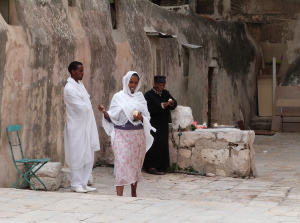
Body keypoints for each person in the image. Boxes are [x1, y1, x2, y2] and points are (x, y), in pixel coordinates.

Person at [99, 71, 155, 197]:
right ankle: (119, 196)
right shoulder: (118, 97)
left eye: (135, 83)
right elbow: (112, 117)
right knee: (122, 163)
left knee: (134, 165)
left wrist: (141, 117)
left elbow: (147, 117)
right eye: (131, 82)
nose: (133, 85)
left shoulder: (140, 98)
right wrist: (104, 112)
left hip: (137, 136)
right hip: (121, 135)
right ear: (125, 81)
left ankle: (133, 193)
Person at [64, 61, 100, 193]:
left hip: (87, 125)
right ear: (73, 71)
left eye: (83, 70)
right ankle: (76, 183)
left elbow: (86, 105)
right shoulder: (69, 88)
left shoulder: (80, 85)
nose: (82, 73)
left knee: (88, 153)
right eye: (80, 71)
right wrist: (87, 106)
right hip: (77, 127)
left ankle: (84, 183)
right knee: (77, 154)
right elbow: (81, 107)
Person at [143, 75, 177, 175]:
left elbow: (174, 103)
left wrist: (171, 104)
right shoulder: (148, 95)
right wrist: (161, 106)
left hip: (163, 124)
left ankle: (162, 166)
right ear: (155, 84)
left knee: (162, 144)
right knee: (153, 144)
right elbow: (148, 109)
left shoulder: (166, 94)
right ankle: (150, 166)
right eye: (160, 85)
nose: (162, 87)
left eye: (163, 85)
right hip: (153, 124)